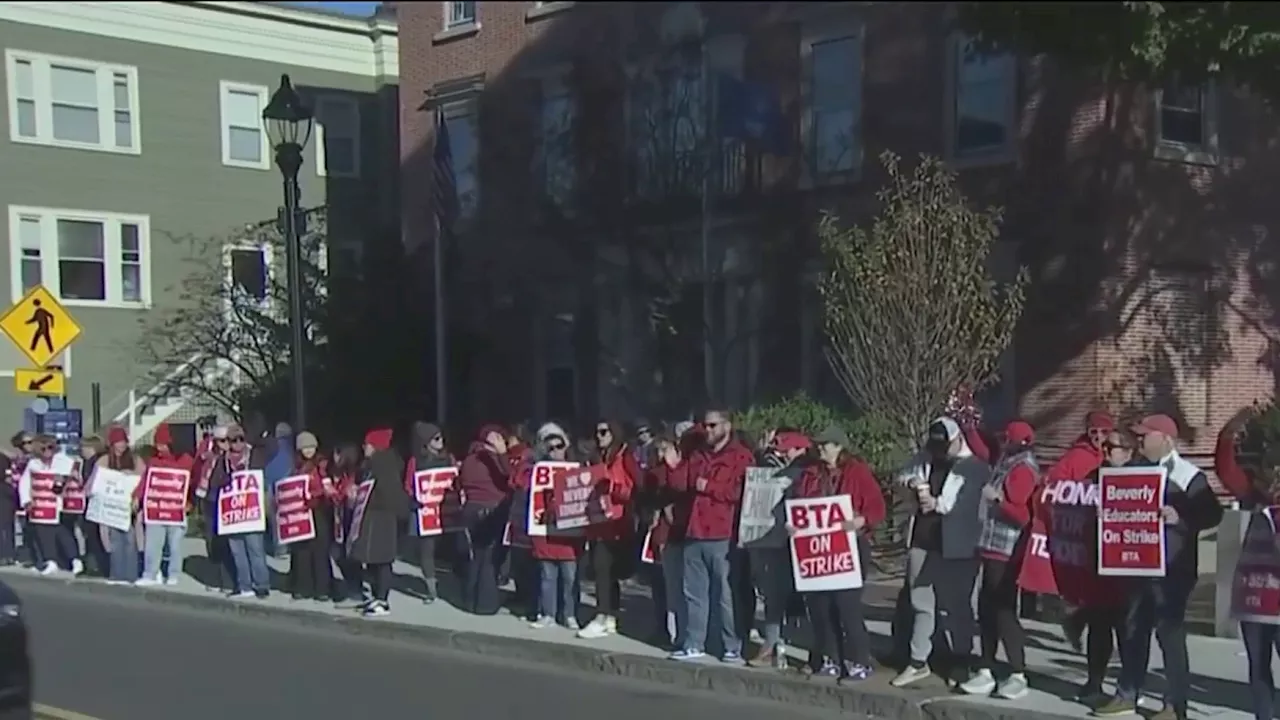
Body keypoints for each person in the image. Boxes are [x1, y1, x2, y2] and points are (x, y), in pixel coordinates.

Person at [1093, 414, 1224, 720]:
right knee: (1134, 630)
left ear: (1165, 438)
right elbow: (1126, 504)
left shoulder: (1189, 476)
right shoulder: (1136, 470)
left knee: (1169, 635)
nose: (1140, 441)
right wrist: (1109, 513)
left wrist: (1182, 519)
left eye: (1145, 435)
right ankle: (1127, 694)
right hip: (1140, 566)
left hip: (1173, 570)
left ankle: (1174, 705)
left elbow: (1213, 515)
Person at [891, 416, 988, 688]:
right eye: (934, 446)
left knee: (958, 606)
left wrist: (936, 503)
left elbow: (963, 502)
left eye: (944, 445)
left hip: (958, 545)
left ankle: (961, 659)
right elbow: (900, 475)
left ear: (957, 439)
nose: (939, 451)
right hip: (922, 540)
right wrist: (911, 484)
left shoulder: (974, 467)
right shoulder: (924, 458)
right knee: (921, 602)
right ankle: (918, 660)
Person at [790, 424, 884, 681]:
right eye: (818, 444)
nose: (820, 449)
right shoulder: (811, 474)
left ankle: (858, 661)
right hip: (816, 550)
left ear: (839, 446)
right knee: (820, 606)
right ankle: (830, 658)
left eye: (826, 444)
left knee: (847, 605)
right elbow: (801, 505)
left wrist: (861, 521)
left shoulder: (858, 472)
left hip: (850, 547)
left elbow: (877, 506)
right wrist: (794, 525)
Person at [668, 408, 753, 662]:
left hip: (723, 534)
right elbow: (680, 485)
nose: (708, 430)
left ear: (727, 426)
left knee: (726, 595)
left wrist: (710, 487)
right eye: (705, 426)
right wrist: (674, 465)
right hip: (695, 531)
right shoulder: (697, 455)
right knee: (694, 593)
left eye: (713, 425)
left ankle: (732, 646)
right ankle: (694, 643)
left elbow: (742, 493)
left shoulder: (741, 457)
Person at [961, 420, 1038, 699]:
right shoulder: (1007, 459)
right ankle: (986, 667)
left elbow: (1022, 515)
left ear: (1019, 441)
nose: (1002, 442)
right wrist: (968, 424)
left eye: (1006, 438)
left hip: (1008, 550)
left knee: (1004, 611)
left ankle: (1018, 672)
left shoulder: (1024, 469)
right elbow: (982, 450)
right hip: (991, 546)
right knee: (986, 608)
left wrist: (997, 501)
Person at [1214, 406, 1280, 720]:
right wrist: (1228, 435)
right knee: (1258, 667)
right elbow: (1227, 471)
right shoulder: (1255, 497)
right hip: (1255, 599)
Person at [744, 430, 808, 669]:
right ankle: (773, 644)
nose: (781, 455)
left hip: (797, 542)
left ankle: (776, 645)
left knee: (785, 597)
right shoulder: (779, 468)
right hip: (778, 540)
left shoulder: (807, 473)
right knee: (774, 594)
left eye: (787, 451)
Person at [1050, 410, 1115, 641]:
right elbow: (1054, 486)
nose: (1099, 437)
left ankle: (1082, 624)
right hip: (1084, 530)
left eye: (1104, 432)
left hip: (1109, 531)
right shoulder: (1076, 457)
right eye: (1093, 432)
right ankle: (1077, 622)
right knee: (1088, 588)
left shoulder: (1114, 455)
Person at [578, 419, 639, 639]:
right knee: (604, 570)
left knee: (604, 568)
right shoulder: (594, 459)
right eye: (596, 432)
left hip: (618, 522)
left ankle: (602, 614)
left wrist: (613, 488)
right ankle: (609, 615)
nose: (599, 436)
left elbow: (637, 488)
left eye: (604, 432)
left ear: (614, 433)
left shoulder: (625, 456)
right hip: (597, 522)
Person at [529, 423, 585, 629]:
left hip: (569, 536)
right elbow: (518, 484)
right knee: (547, 576)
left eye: (559, 445)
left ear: (566, 445)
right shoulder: (535, 470)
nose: (555, 451)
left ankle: (569, 614)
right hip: (545, 532)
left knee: (570, 578)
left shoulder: (578, 466)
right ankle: (548, 615)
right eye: (549, 448)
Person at [348, 428, 407, 616]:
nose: (363, 447)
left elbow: (389, 494)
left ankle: (382, 600)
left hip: (381, 519)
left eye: (367, 444)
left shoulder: (383, 465)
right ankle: (375, 598)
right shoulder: (372, 464)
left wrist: (365, 497)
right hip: (373, 518)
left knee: (382, 561)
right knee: (372, 560)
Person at [208, 424, 270, 599]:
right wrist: (225, 479)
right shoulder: (223, 461)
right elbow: (214, 483)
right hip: (233, 515)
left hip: (251, 513)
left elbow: (272, 447)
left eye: (241, 439)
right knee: (238, 552)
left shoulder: (254, 455)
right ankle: (245, 586)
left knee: (255, 550)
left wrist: (256, 436)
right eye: (233, 440)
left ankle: (262, 585)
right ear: (228, 442)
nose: (238, 443)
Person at [457, 424, 511, 615]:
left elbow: (461, 483)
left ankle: (470, 600)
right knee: (490, 559)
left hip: (471, 509)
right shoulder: (494, 459)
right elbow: (509, 477)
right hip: (492, 509)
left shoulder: (469, 459)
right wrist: (503, 454)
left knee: (476, 557)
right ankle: (486, 604)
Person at [136, 424, 194, 586]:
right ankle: (150, 574)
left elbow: (193, 484)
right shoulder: (153, 462)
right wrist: (137, 497)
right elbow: (145, 482)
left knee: (174, 545)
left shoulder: (186, 461)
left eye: (162, 444)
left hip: (177, 511)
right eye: (157, 444)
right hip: (155, 510)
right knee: (153, 543)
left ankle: (173, 574)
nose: (158, 447)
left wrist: (191, 502)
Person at [403, 422, 454, 604]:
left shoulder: (449, 458)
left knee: (455, 545)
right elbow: (408, 485)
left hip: (447, 510)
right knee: (426, 550)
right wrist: (418, 497)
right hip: (424, 512)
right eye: (436, 438)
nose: (441, 441)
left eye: (441, 437)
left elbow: (455, 479)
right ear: (426, 442)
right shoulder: (415, 461)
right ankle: (431, 589)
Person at [18, 434, 80, 575]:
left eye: (50, 447)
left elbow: (64, 483)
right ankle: (51, 561)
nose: (46, 450)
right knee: (43, 533)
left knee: (63, 533)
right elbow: (25, 482)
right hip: (40, 506)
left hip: (61, 506)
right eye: (43, 448)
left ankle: (75, 560)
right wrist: (26, 500)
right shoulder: (33, 463)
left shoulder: (65, 461)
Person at [286, 431, 336, 602]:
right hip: (300, 513)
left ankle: (322, 588)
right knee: (301, 551)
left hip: (319, 511)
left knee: (320, 551)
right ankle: (302, 587)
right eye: (304, 447)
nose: (308, 450)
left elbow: (328, 487)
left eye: (311, 446)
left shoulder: (322, 465)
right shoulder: (296, 466)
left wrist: (321, 492)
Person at [92, 427, 144, 584]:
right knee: (115, 539)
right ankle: (117, 574)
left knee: (129, 539)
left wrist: (133, 479)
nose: (121, 446)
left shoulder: (135, 460)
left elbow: (143, 479)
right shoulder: (104, 461)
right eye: (117, 443)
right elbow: (97, 480)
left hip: (129, 506)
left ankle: (131, 575)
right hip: (111, 508)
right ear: (111, 444)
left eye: (123, 442)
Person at [330, 442, 366, 607]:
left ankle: (355, 591)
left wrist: (345, 494)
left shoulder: (355, 473)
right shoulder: (340, 473)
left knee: (347, 556)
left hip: (350, 520)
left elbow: (353, 496)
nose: (334, 458)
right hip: (341, 519)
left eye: (337, 454)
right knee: (339, 553)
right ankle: (353, 588)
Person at [76, 436, 108, 576]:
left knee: (94, 536)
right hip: (89, 504)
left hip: (96, 503)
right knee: (89, 535)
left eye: (82, 447)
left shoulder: (96, 462)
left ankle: (95, 565)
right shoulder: (86, 462)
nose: (80, 450)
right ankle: (91, 564)